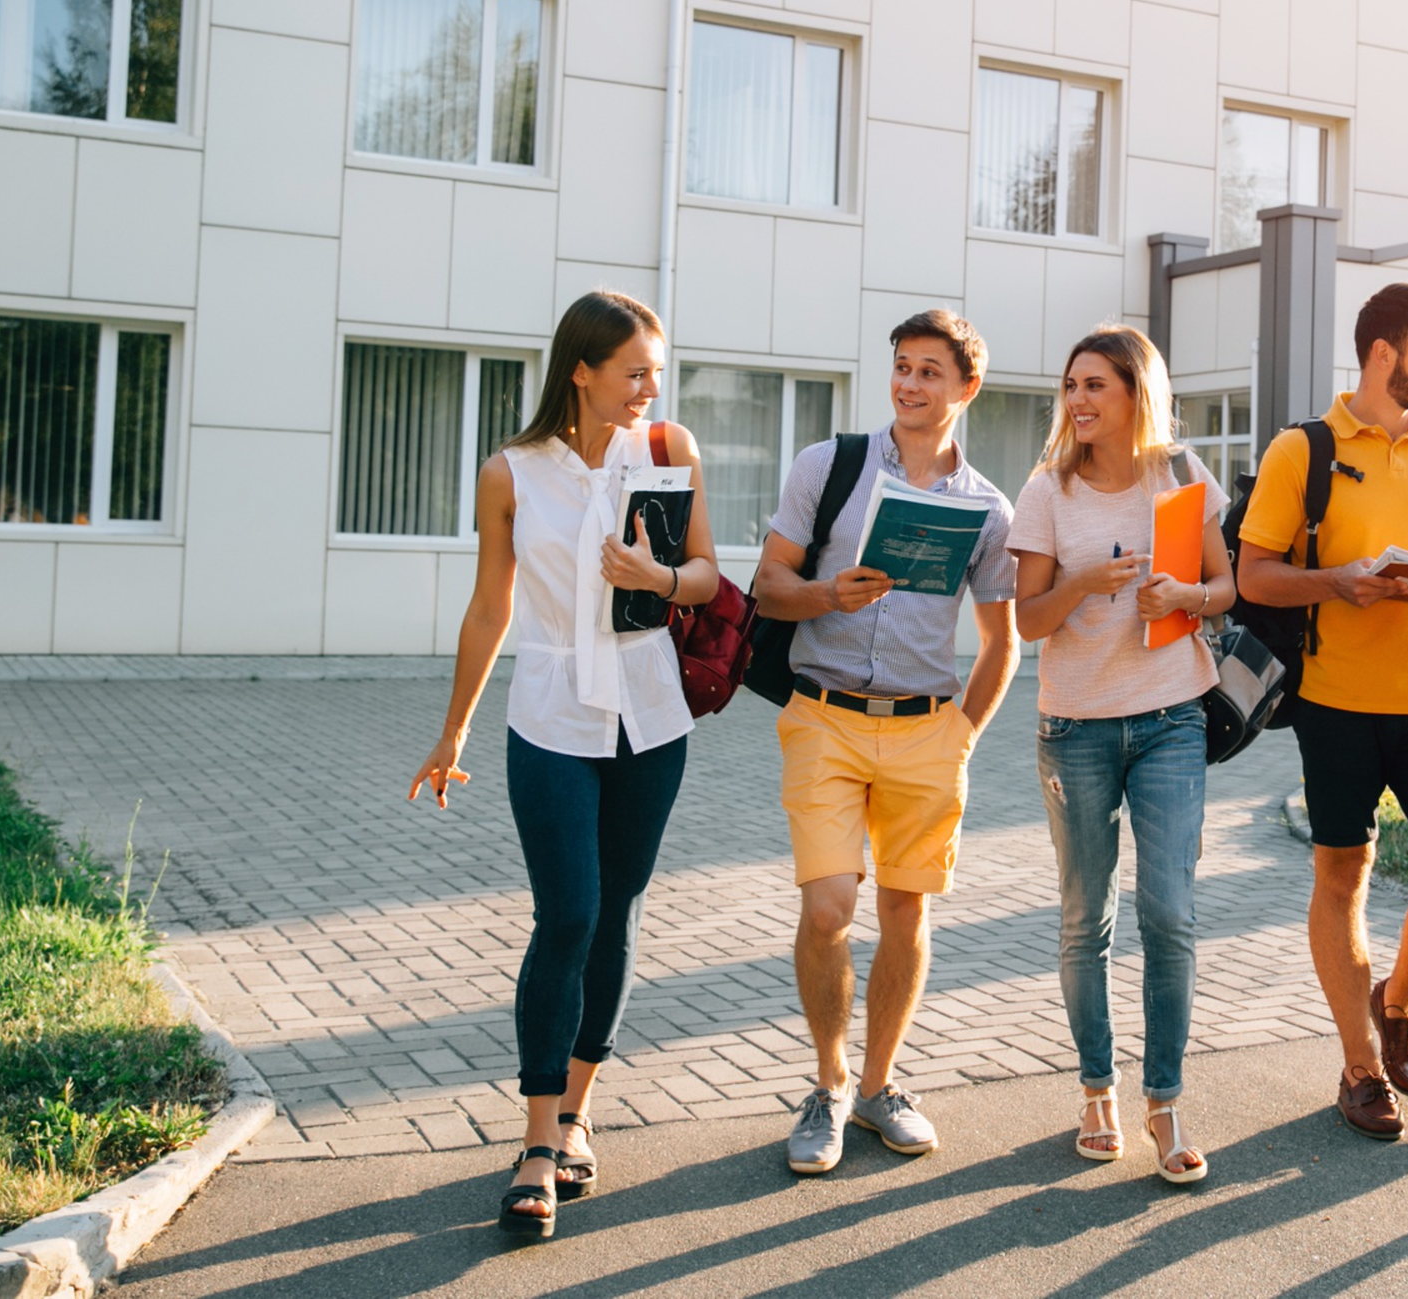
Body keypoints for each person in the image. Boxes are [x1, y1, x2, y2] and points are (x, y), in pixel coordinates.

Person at [408, 290, 719, 1240]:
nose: (649, 388)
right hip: (548, 712)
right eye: (634, 371)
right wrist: (453, 728)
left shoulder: (670, 452)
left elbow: (707, 573)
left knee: (618, 911)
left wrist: (657, 580)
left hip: (651, 714)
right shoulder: (509, 473)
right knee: (568, 911)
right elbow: (488, 608)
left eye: (656, 372)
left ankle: (579, 1109)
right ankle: (536, 1138)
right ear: (581, 369)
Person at [752, 310, 1020, 1175]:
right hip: (823, 716)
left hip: (924, 730)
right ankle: (828, 1086)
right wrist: (829, 596)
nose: (909, 384)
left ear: (966, 388)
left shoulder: (987, 508)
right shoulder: (827, 467)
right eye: (902, 367)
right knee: (828, 906)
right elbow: (767, 585)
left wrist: (962, 735)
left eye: (929, 371)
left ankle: (878, 1086)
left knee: (907, 912)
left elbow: (1004, 639)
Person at [1234, 282, 1408, 1141]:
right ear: (1385, 353)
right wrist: (1337, 582)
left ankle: (1398, 1001)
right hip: (1334, 702)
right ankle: (1359, 1065)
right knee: (1340, 877)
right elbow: (1254, 575)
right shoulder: (1300, 450)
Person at [1010, 325, 1237, 1186]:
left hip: (1171, 716)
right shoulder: (1048, 491)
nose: (1078, 400)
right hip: (1076, 724)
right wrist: (1084, 586)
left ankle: (1166, 1097)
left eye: (1095, 385)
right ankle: (1097, 1085)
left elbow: (1227, 586)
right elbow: (1026, 620)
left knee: (1170, 912)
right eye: (1071, 385)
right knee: (1085, 916)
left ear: (1136, 392)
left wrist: (1186, 594)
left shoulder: (1181, 475)